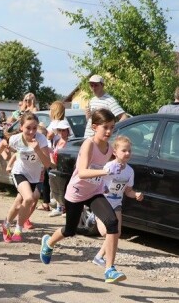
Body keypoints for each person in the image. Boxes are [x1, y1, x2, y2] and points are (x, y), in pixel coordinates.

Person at [40, 108, 127, 284]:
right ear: (95, 127)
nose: (109, 131)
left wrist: (116, 168)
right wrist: (105, 170)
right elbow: (82, 172)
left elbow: (105, 170)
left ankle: (109, 269)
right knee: (70, 230)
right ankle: (49, 243)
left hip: (94, 192)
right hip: (76, 193)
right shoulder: (89, 144)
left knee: (112, 223)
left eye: (112, 127)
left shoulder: (109, 147)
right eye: (105, 127)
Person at [92, 136, 144, 267]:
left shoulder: (130, 171)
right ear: (115, 152)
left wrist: (136, 194)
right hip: (103, 202)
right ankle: (94, 216)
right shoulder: (108, 166)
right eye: (124, 150)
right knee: (105, 232)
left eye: (129, 151)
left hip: (116, 204)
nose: (127, 153)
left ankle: (99, 257)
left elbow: (128, 191)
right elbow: (97, 181)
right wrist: (102, 188)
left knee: (116, 233)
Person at [0, 113, 50, 242]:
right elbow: (5, 147)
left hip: (34, 176)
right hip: (20, 172)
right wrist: (0, 161)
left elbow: (47, 163)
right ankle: (18, 229)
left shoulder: (41, 139)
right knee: (29, 198)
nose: (32, 131)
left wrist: (37, 149)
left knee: (18, 204)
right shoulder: (15, 139)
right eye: (28, 128)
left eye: (34, 128)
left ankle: (6, 224)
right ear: (21, 127)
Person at [48, 120, 71, 217]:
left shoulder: (70, 142)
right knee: (57, 187)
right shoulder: (57, 141)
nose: (62, 133)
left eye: (64, 130)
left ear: (67, 131)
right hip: (57, 166)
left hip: (65, 168)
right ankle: (59, 207)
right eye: (60, 130)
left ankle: (66, 208)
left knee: (65, 188)